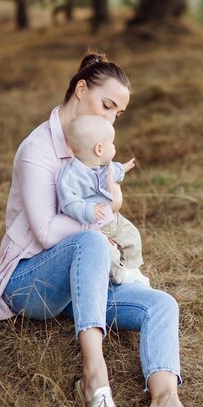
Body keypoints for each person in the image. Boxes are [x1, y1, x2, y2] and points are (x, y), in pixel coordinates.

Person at [0, 52, 203, 407]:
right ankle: (94, 376)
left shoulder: (93, 147)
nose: (112, 118)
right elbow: (46, 232)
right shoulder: (38, 150)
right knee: (93, 240)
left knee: (161, 304)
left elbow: (99, 209)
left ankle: (165, 403)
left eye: (119, 113)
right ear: (81, 90)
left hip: (82, 277)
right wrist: (100, 228)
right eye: (107, 105)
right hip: (29, 282)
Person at [57, 114, 149, 286]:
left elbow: (113, 169)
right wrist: (88, 210)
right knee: (109, 252)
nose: (114, 147)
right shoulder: (71, 177)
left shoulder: (103, 165)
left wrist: (123, 167)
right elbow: (69, 202)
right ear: (99, 149)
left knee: (131, 235)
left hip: (114, 217)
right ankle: (118, 275)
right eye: (112, 144)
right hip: (95, 224)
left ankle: (132, 269)